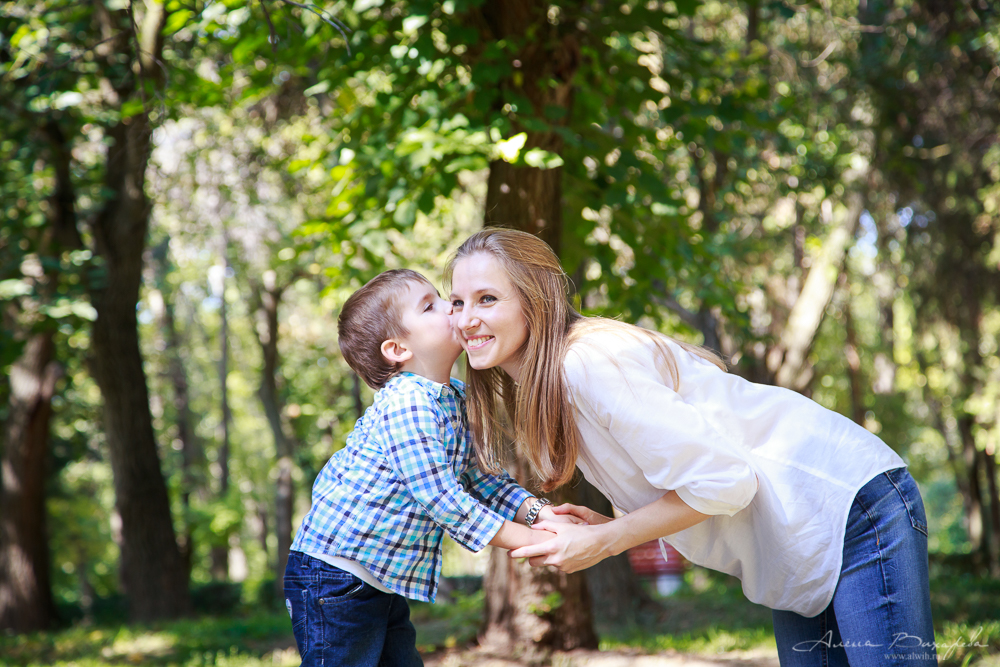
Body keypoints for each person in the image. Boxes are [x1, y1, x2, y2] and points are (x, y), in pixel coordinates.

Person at [446, 228, 937, 667]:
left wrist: (607, 541)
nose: (467, 319)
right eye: (456, 302)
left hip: (845, 503)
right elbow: (684, 479)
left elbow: (724, 480)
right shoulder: (553, 386)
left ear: (535, 301)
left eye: (487, 299)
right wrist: (612, 526)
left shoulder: (587, 365)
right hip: (797, 535)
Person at [285, 268, 567, 667]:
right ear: (398, 349)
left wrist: (541, 515)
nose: (450, 307)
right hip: (335, 577)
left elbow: (478, 480)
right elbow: (442, 499)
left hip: (374, 580)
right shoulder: (406, 403)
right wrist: (527, 539)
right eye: (429, 305)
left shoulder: (453, 397)